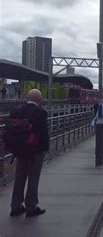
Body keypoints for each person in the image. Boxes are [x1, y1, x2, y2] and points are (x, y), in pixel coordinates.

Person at [9, 89, 49, 217]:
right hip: (36, 151)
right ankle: (31, 207)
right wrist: (46, 148)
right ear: (39, 99)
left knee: (19, 177)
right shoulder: (41, 112)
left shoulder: (16, 110)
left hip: (20, 150)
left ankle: (15, 206)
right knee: (33, 178)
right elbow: (43, 133)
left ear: (28, 97)